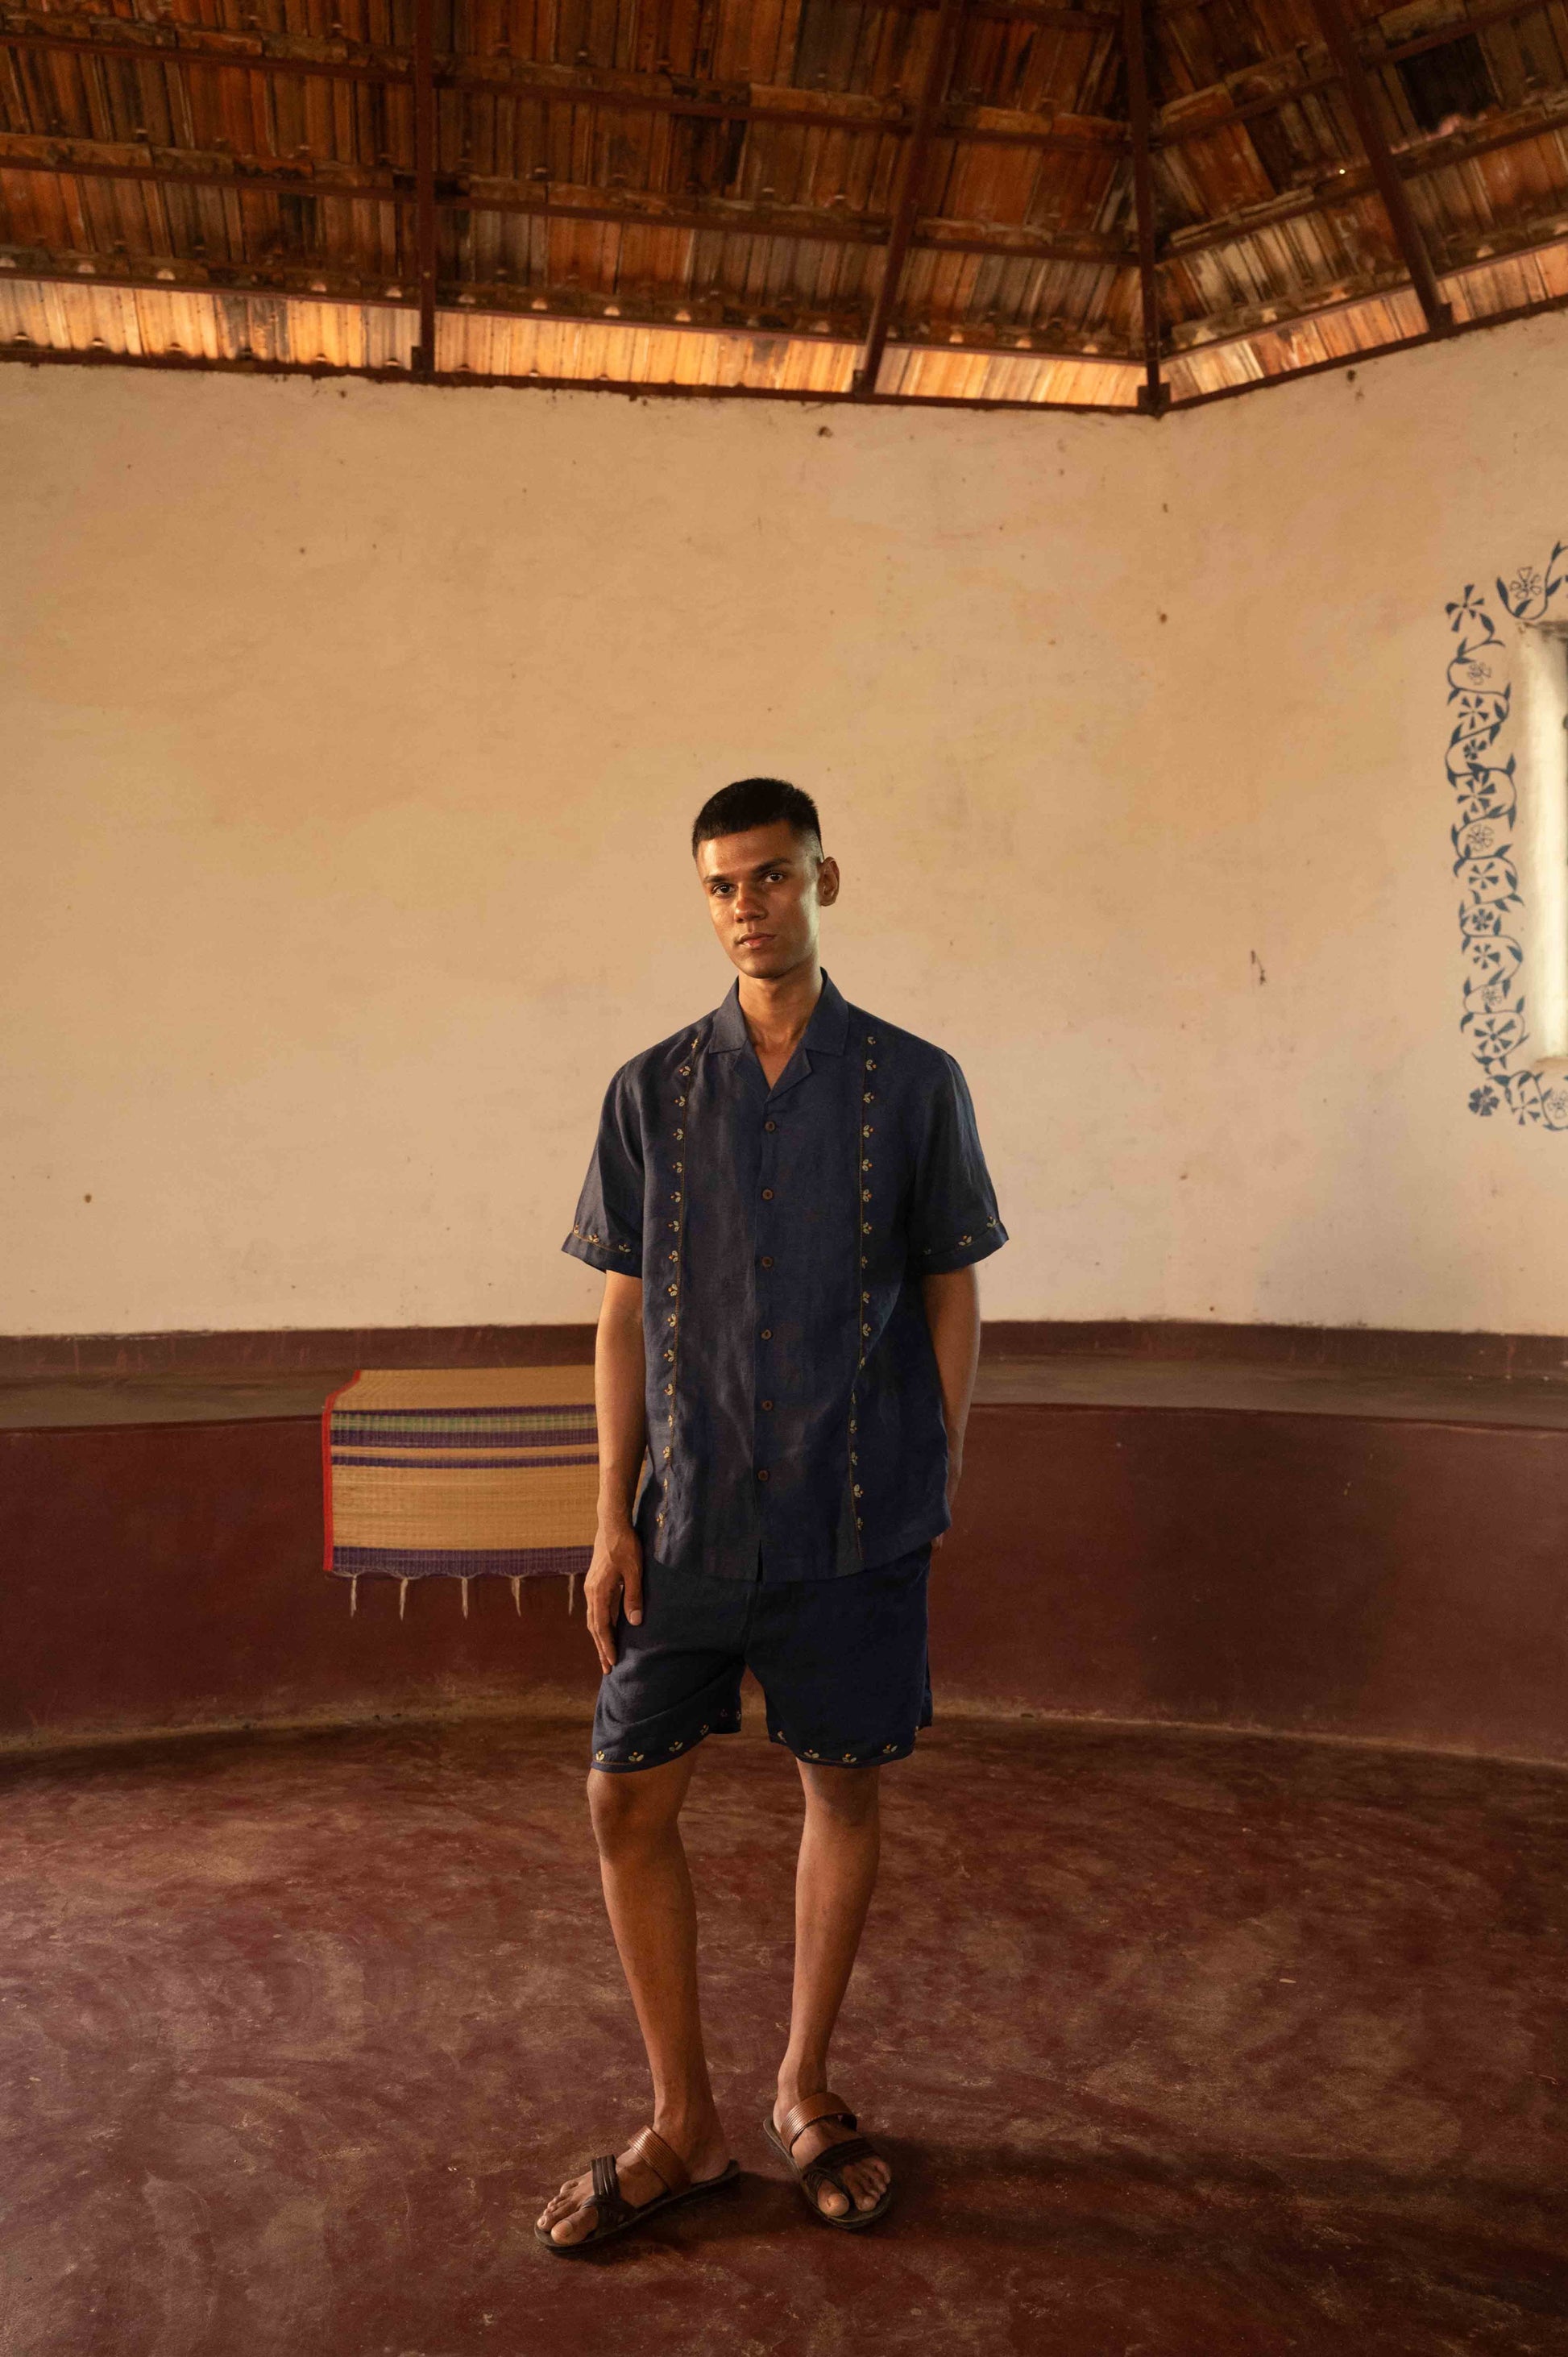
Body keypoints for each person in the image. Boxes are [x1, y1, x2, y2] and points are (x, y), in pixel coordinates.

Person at [535, 777, 1006, 2253]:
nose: (750, 904)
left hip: (854, 1516)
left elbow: (950, 1284)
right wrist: (611, 1516)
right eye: (725, 884)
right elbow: (620, 1318)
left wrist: (928, 1468)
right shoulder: (648, 1089)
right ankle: (684, 2120)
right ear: (705, 898)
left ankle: (804, 2089)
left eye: (775, 877)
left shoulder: (915, 1081)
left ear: (825, 880)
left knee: (840, 1787)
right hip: (683, 1525)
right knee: (623, 1797)